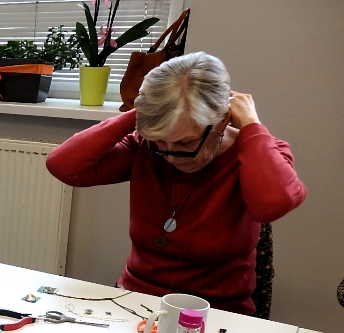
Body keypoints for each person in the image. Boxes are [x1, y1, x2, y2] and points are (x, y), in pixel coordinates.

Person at [46, 52, 306, 315]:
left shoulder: (256, 151)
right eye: (160, 142)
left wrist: (251, 125)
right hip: (135, 301)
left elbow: (272, 204)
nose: (170, 156)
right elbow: (64, 166)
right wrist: (146, 114)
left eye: (185, 143)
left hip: (216, 314)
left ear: (222, 120)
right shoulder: (145, 146)